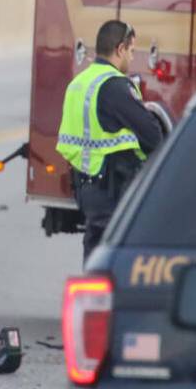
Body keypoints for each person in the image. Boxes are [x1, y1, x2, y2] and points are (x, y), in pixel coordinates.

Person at [57, 20, 164, 262]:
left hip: (86, 188)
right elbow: (152, 135)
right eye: (132, 51)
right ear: (120, 49)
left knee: (95, 252)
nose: (132, 58)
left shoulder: (79, 83)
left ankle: (93, 298)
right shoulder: (113, 86)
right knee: (120, 258)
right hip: (112, 190)